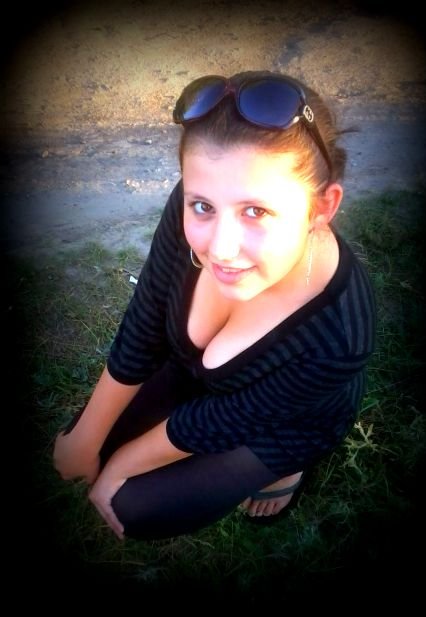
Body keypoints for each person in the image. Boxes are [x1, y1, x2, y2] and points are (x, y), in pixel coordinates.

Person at [53, 71, 376, 541]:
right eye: (202, 206)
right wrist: (86, 439)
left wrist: (120, 466)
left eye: (256, 211)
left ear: (322, 208)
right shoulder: (192, 203)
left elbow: (222, 421)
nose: (220, 249)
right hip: (195, 374)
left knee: (133, 505)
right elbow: (145, 323)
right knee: (91, 438)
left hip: (283, 418)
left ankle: (287, 469)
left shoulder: (339, 338)